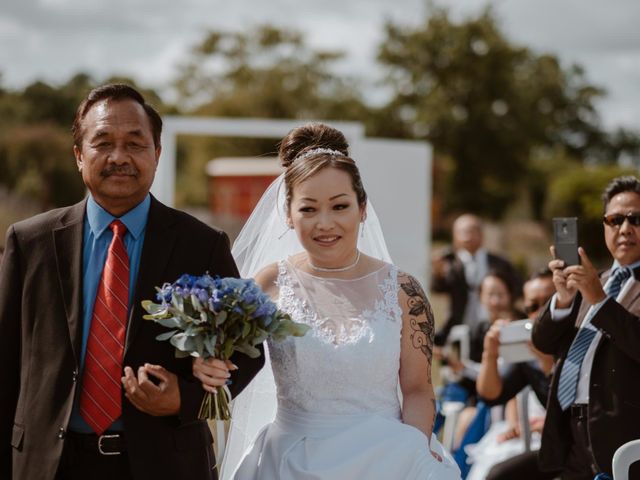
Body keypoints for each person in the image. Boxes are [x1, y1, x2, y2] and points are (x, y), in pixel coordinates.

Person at [0, 84, 263, 480]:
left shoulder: (202, 245)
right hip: (47, 465)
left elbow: (249, 352)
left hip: (165, 464)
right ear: (78, 155)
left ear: (157, 154)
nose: (119, 157)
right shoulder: (30, 242)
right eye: (103, 142)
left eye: (135, 144)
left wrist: (185, 399)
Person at [193, 123, 461, 479]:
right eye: (309, 209)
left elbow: (416, 390)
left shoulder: (403, 291)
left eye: (339, 206)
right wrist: (206, 361)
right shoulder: (267, 285)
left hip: (387, 459)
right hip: (288, 460)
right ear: (288, 213)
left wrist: (410, 457)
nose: (325, 223)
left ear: (362, 208)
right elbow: (231, 363)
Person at [532, 175, 640, 479]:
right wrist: (564, 300)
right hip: (570, 431)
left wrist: (599, 301)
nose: (625, 229)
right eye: (615, 219)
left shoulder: (594, 286)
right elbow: (543, 342)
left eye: (636, 219)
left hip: (624, 437)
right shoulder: (594, 280)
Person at [468, 269, 560, 480]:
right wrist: (489, 353)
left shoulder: (578, 340)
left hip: (583, 447)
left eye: (548, 302)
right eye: (532, 306)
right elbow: (490, 395)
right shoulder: (529, 356)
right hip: (555, 450)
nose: (540, 313)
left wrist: (548, 366)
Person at [432, 213, 522, 348]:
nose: (466, 236)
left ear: (481, 233)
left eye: (470, 231)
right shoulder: (451, 263)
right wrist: (438, 272)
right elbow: (438, 288)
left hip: (494, 326)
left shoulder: (499, 262)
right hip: (460, 326)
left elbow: (517, 288)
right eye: (461, 232)